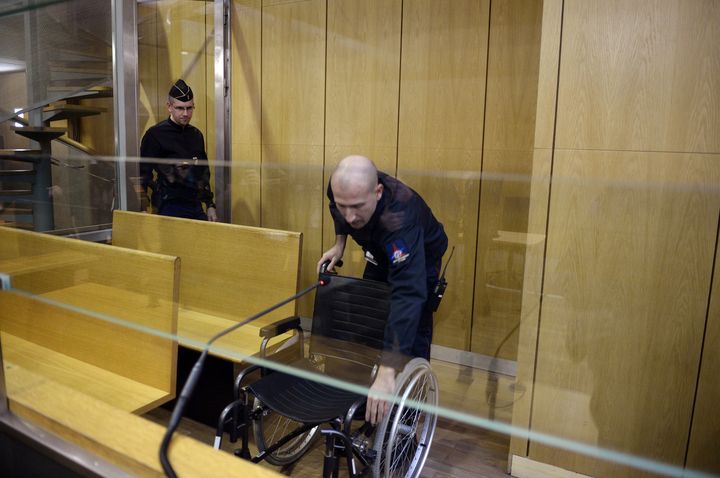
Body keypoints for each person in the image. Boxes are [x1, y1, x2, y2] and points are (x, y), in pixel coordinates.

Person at [317, 155, 448, 425]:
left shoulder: (400, 217)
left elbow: (407, 295)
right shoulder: (339, 189)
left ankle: (408, 413)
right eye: (344, 206)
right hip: (378, 247)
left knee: (413, 318)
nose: (349, 216)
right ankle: (370, 392)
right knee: (372, 311)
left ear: (377, 192)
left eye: (357, 206)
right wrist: (339, 243)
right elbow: (335, 206)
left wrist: (388, 371)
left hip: (420, 251)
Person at [140, 79, 217, 221]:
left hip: (194, 203)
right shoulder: (155, 134)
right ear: (169, 106)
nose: (186, 113)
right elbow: (143, 173)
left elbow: (203, 173)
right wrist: (143, 206)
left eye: (189, 108)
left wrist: (210, 204)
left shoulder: (196, 134)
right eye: (180, 108)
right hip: (168, 204)